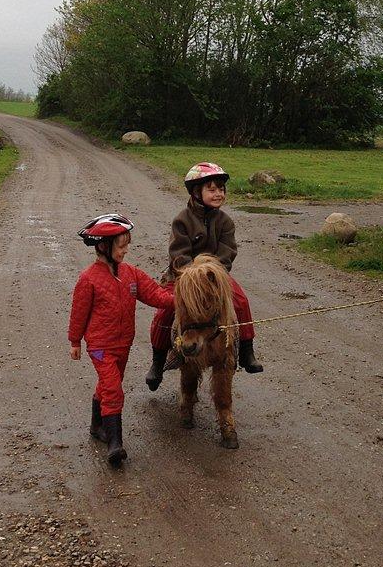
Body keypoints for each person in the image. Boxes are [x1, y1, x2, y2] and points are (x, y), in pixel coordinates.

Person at [69, 213, 175, 466]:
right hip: (99, 346)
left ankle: (97, 426)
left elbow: (155, 295)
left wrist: (181, 301)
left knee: (108, 385)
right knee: (113, 388)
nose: (126, 250)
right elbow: (78, 313)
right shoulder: (88, 279)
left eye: (127, 244)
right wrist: (75, 341)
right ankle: (115, 444)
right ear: (104, 246)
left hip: (123, 344)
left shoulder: (131, 274)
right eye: (122, 245)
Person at [145, 162, 263, 390]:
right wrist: (192, 277)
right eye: (212, 189)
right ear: (196, 192)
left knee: (241, 301)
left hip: (215, 278)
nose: (218, 193)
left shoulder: (225, 222)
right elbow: (178, 254)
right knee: (165, 311)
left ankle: (247, 351)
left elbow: (227, 252)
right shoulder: (182, 220)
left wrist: (214, 275)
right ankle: (157, 362)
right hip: (183, 278)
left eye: (221, 189)